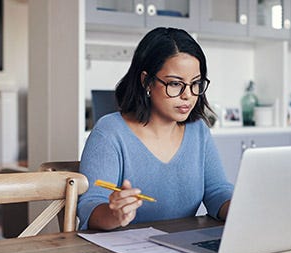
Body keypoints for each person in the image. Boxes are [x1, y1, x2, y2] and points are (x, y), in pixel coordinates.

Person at [78, 27, 233, 231]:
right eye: (175, 84)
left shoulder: (198, 131)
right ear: (147, 82)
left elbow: (217, 192)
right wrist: (113, 213)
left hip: (180, 249)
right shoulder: (110, 132)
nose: (188, 95)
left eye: (196, 83)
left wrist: (243, 208)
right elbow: (90, 206)